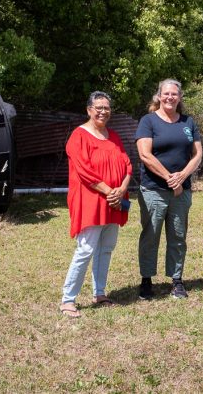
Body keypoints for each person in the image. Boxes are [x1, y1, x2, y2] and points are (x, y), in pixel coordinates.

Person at [59, 91, 132, 318]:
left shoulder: (114, 136)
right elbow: (84, 171)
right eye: (98, 107)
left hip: (114, 201)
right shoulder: (78, 136)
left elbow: (128, 165)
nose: (103, 111)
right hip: (91, 200)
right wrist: (109, 191)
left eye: (107, 108)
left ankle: (99, 293)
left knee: (106, 248)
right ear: (89, 110)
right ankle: (68, 300)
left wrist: (121, 190)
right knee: (86, 249)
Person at [135, 78, 203, 300]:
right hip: (154, 190)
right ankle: (146, 280)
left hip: (181, 192)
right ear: (159, 96)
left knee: (178, 236)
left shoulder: (188, 122)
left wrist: (182, 176)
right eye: (166, 94)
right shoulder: (148, 121)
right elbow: (145, 154)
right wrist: (169, 177)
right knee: (150, 236)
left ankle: (177, 280)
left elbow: (197, 154)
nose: (170, 97)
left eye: (174, 94)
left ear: (180, 97)